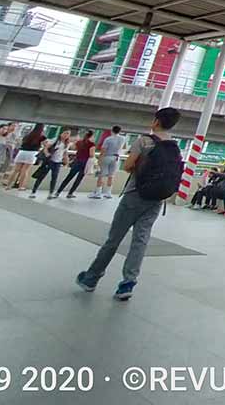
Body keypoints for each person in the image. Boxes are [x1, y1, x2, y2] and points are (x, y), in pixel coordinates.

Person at [75, 107, 183, 301]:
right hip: (157, 199)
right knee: (140, 240)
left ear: (156, 121)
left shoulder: (144, 141)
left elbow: (128, 165)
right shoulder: (174, 146)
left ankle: (91, 278)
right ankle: (128, 283)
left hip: (134, 195)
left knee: (114, 239)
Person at [31, 129, 70, 199]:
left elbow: (65, 153)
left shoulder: (66, 143)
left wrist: (66, 162)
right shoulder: (55, 140)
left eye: (68, 134)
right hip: (49, 161)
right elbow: (46, 148)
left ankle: (50, 193)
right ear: (61, 133)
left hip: (57, 162)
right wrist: (47, 154)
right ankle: (33, 192)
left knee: (54, 178)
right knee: (41, 176)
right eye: (65, 133)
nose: (66, 135)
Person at [56, 130, 96, 198]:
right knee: (78, 179)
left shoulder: (79, 142)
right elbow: (91, 155)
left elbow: (74, 148)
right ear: (91, 136)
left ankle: (58, 192)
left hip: (77, 161)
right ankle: (70, 193)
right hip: (84, 163)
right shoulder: (92, 144)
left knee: (69, 177)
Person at [6, 123, 45, 190]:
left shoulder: (28, 135)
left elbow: (22, 142)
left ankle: (8, 185)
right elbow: (45, 145)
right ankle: (21, 186)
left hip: (22, 152)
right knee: (25, 171)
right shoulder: (42, 137)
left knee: (15, 170)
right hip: (32, 153)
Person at [91, 126, 126, 199]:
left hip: (107, 156)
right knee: (111, 176)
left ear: (112, 130)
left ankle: (98, 193)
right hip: (116, 158)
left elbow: (103, 150)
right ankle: (108, 193)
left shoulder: (108, 139)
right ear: (120, 131)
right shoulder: (123, 138)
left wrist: (99, 160)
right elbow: (124, 147)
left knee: (101, 175)